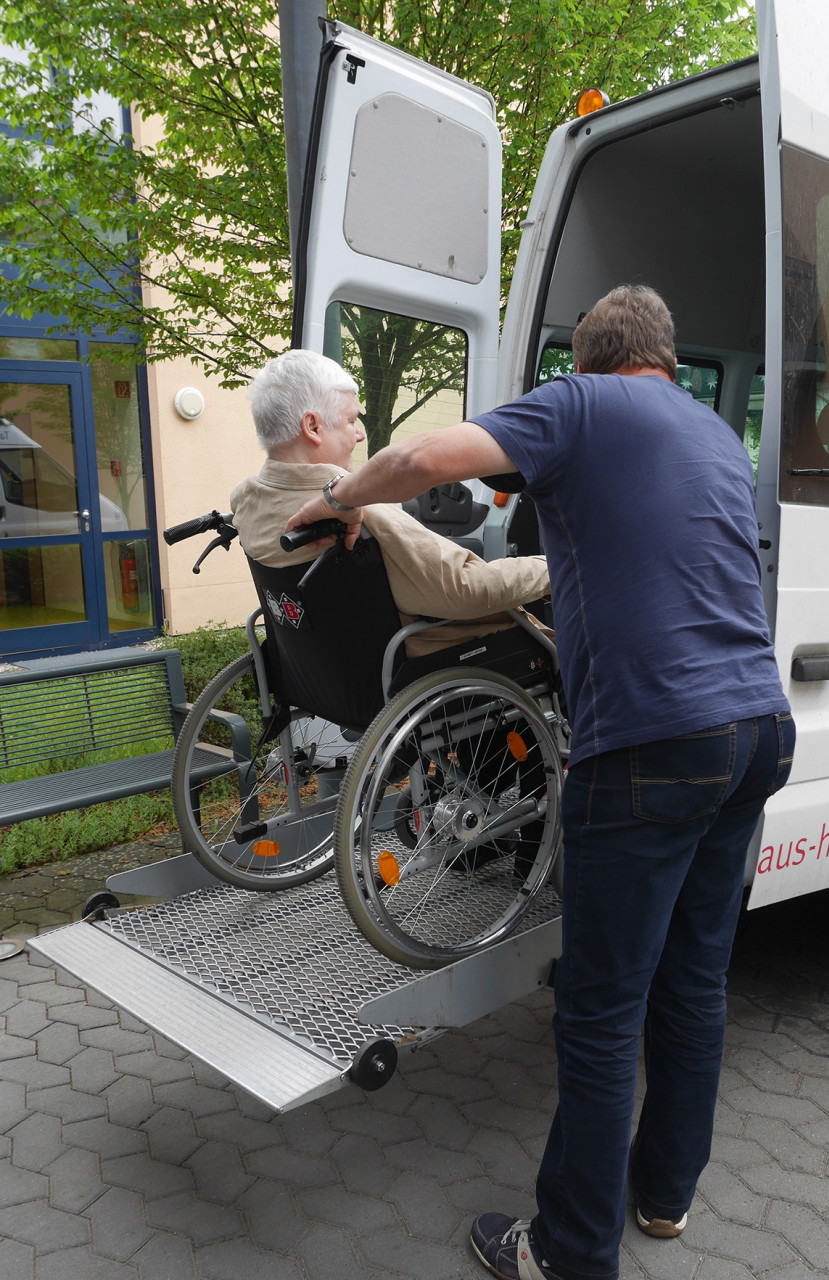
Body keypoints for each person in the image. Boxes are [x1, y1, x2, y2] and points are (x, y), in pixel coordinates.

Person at [285, 285, 794, 1280]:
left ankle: (566, 1251)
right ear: (665, 354)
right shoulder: (708, 432)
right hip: (755, 732)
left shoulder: (580, 403)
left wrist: (340, 496)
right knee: (691, 983)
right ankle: (664, 1197)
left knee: (600, 1011)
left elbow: (427, 460)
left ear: (592, 360)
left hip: (651, 740)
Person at [230, 348, 550, 660]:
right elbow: (466, 589)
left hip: (321, 673)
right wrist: (553, 569)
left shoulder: (247, 505)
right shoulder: (358, 509)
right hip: (413, 667)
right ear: (313, 427)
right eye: (351, 420)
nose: (358, 435)